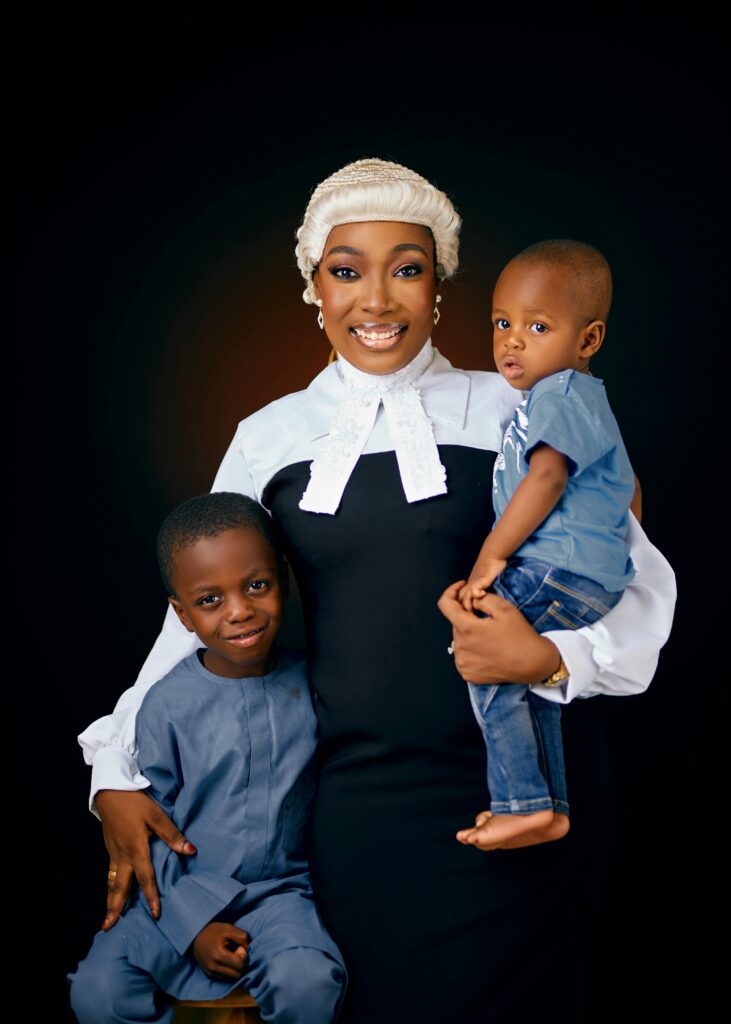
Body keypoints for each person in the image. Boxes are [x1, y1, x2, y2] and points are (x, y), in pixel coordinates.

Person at [77, 158, 676, 1023]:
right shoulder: (270, 436)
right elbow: (199, 620)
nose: (376, 299)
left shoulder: (518, 405)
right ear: (314, 288)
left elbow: (634, 578)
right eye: (346, 271)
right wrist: (115, 769)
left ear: (438, 287)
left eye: (407, 269)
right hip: (354, 808)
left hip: (527, 792)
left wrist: (549, 657)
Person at [68, 493, 347, 1024]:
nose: (239, 611)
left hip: (283, 898)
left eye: (256, 586)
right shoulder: (166, 704)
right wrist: (193, 925)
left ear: (283, 581)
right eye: (210, 599)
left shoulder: (318, 686)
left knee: (307, 984)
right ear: (183, 614)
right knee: (100, 991)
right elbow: (151, 827)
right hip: (176, 897)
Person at [454, 240, 640, 853]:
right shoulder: (563, 399)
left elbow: (547, 477)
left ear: (588, 340)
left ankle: (523, 803)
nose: (512, 341)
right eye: (502, 323)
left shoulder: (561, 393)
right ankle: (544, 810)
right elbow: (627, 490)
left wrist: (492, 554)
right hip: (584, 575)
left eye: (537, 327)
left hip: (556, 568)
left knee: (483, 653)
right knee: (522, 678)